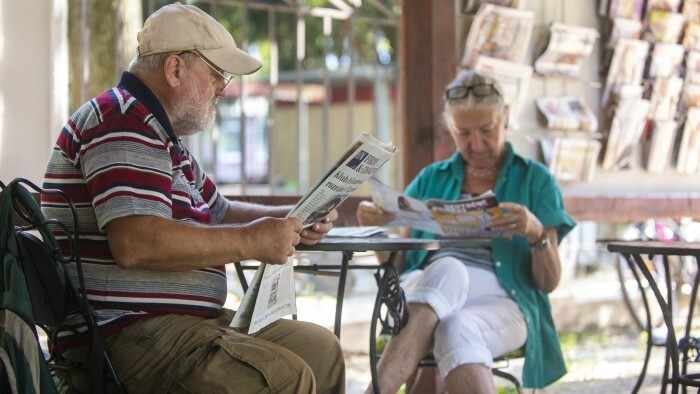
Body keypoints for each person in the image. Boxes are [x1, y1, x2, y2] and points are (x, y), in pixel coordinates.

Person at [41, 3, 345, 393]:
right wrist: (253, 240)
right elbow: (136, 242)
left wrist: (292, 218)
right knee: (285, 376)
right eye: (217, 73)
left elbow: (220, 212)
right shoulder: (121, 121)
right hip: (126, 332)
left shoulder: (160, 133)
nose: (224, 87)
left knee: (322, 351)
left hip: (177, 326)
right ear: (175, 69)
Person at [357, 69, 576, 393]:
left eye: (486, 130)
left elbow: (548, 283)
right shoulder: (432, 178)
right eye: (463, 133)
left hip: (503, 303)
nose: (476, 144)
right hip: (426, 291)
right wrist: (379, 232)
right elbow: (398, 267)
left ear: (505, 118)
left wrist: (535, 231)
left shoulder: (535, 179)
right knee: (449, 270)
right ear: (451, 129)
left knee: (456, 327)